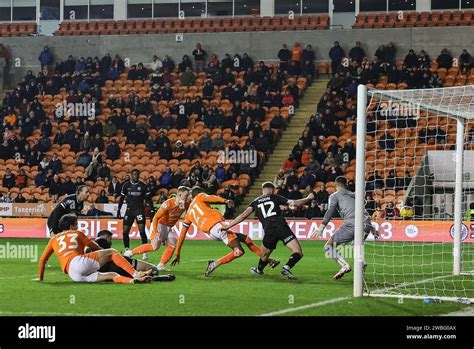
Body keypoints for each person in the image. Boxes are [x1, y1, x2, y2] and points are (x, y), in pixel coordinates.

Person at [171, 186, 279, 276]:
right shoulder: (200, 196)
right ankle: (214, 264)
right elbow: (211, 198)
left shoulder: (188, 214)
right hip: (218, 227)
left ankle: (268, 260)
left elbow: (182, 235)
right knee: (239, 251)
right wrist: (225, 200)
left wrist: (177, 253)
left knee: (245, 238)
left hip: (212, 233)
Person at [222, 182, 313, 279]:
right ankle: (286, 267)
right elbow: (295, 203)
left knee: (265, 254)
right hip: (281, 226)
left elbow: (243, 215)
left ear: (263, 190)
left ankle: (259, 270)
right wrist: (308, 198)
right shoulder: (275, 197)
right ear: (272, 190)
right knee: (298, 251)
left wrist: (228, 226)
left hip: (269, 230)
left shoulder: (255, 202)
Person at [36, 214, 152, 284]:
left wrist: (40, 278)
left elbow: (42, 260)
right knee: (112, 252)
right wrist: (102, 251)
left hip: (73, 274)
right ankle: (136, 274)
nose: (77, 226)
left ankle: (132, 281)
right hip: (78, 262)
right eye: (76, 224)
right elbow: (94, 246)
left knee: (111, 274)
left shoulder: (53, 239)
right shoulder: (77, 233)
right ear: (71, 226)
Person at [309, 176, 379, 280]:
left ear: (335, 185)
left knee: (328, 247)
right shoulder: (354, 194)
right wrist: (372, 228)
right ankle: (362, 263)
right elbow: (362, 210)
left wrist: (321, 228)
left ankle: (345, 265)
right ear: (346, 185)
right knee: (356, 245)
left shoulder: (334, 195)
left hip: (352, 223)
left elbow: (330, 211)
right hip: (366, 223)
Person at [124, 186, 190, 271]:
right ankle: (130, 253)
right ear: (180, 194)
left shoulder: (186, 204)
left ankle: (161, 265)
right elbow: (156, 218)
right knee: (154, 247)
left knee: (172, 245)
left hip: (169, 227)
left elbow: (189, 215)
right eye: (186, 195)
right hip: (160, 225)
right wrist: (155, 231)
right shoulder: (168, 204)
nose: (188, 197)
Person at [92, 230, 175, 282]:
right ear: (106, 237)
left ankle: (140, 276)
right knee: (153, 269)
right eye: (110, 239)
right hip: (119, 266)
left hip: (99, 272)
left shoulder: (90, 250)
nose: (111, 241)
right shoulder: (105, 245)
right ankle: (144, 276)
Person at [117, 169, 154, 259]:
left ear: (139, 175)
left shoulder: (143, 186)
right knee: (125, 231)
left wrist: (152, 211)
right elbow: (121, 198)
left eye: (137, 174)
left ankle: (144, 252)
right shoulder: (126, 185)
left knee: (142, 231)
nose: (136, 176)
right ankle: (127, 250)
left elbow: (148, 200)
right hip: (129, 210)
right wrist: (119, 210)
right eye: (134, 174)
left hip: (139, 210)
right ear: (131, 175)